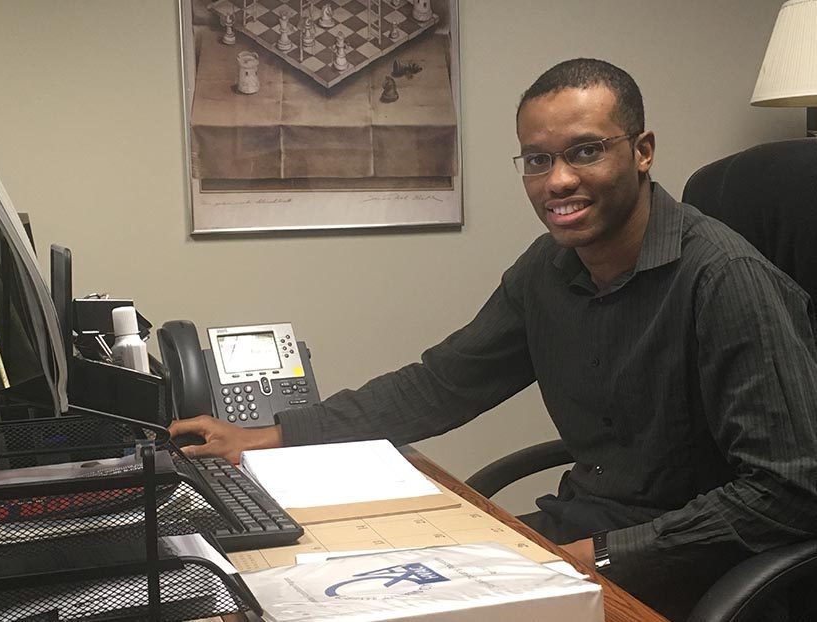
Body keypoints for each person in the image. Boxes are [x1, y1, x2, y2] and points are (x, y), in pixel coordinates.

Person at [170, 58, 817, 621]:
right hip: (581, 532)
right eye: (538, 160)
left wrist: (600, 555)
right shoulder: (549, 269)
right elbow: (442, 384)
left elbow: (788, 490)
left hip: (697, 568)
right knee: (327, 588)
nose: (557, 180)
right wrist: (270, 435)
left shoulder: (726, 281)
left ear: (642, 151)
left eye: (585, 151)